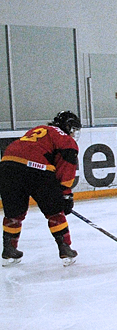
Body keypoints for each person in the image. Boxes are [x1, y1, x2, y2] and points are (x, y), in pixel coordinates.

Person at [0, 110, 81, 265]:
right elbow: (67, 167)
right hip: (37, 168)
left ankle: (9, 248)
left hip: (7, 165)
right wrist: (65, 194)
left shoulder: (40, 130)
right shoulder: (66, 140)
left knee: (13, 212)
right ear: (69, 127)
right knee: (54, 211)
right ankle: (65, 247)